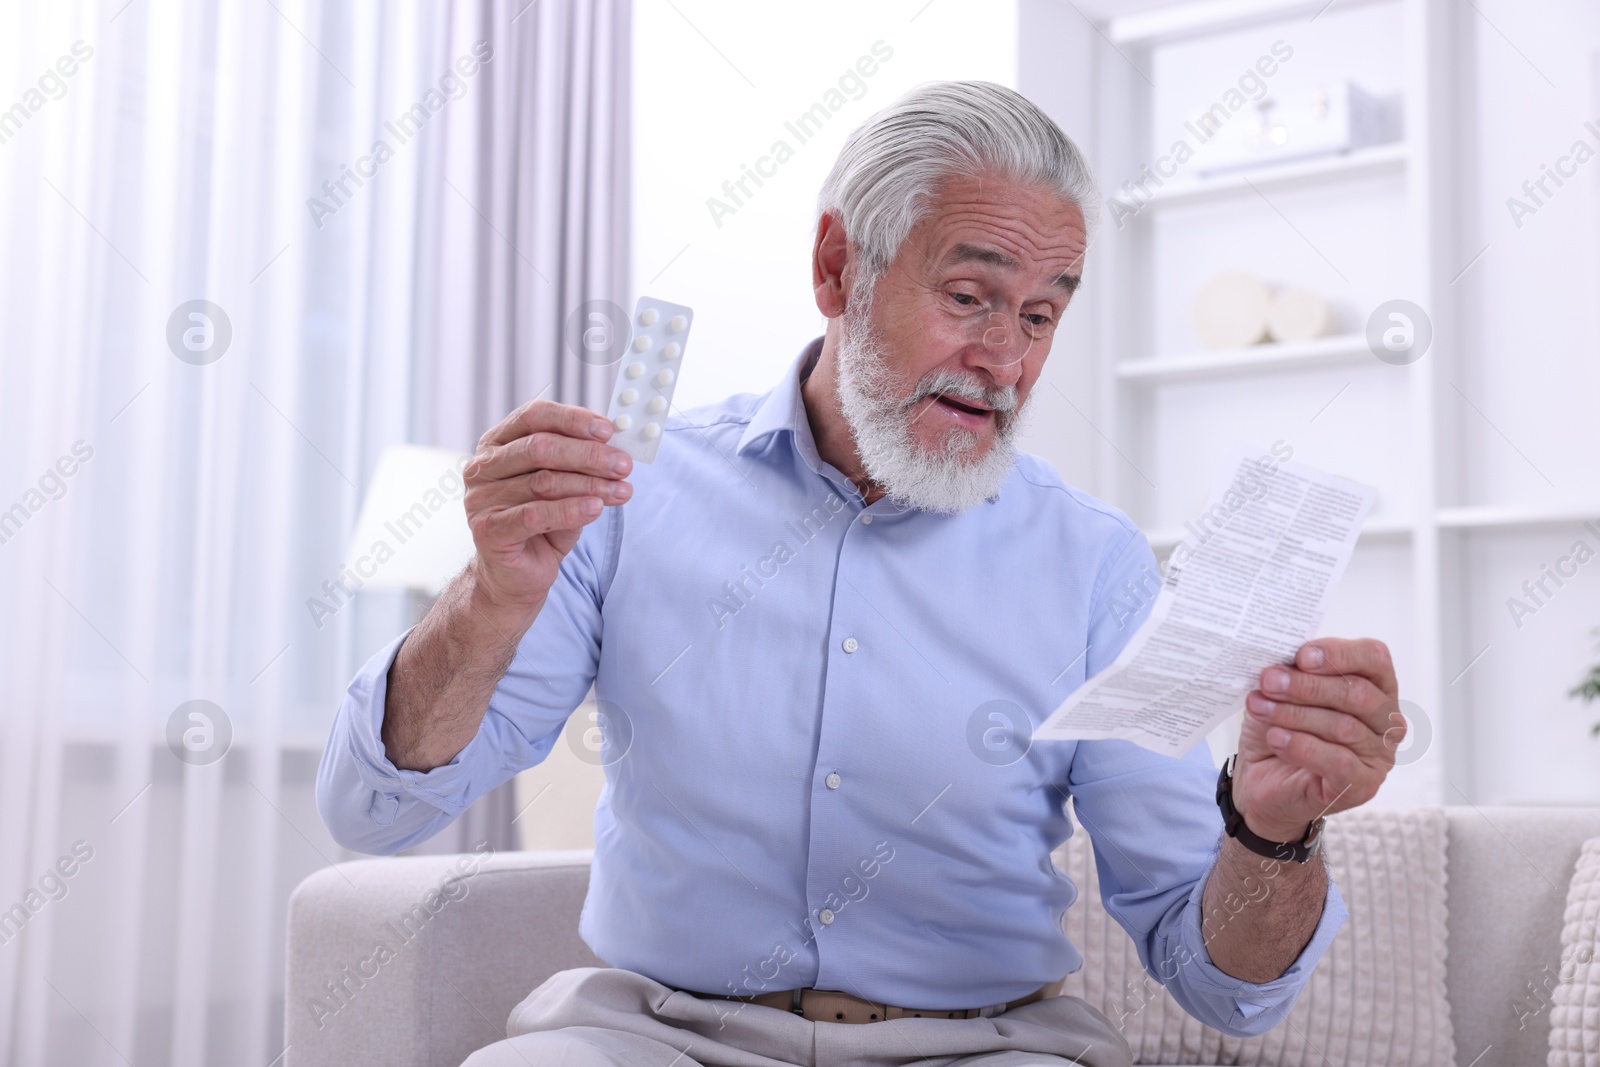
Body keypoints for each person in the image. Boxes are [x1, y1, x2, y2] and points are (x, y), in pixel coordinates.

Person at [317, 80, 1404, 1067]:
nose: (1005, 360)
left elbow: (1221, 984)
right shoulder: (627, 498)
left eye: (1038, 316)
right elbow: (376, 808)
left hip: (984, 1045)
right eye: (970, 297)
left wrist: (1271, 828)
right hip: (658, 1035)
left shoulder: (1092, 561)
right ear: (838, 267)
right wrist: (488, 601)